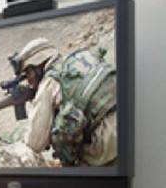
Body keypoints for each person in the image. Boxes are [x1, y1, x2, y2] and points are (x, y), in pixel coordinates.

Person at [13, 37, 117, 167]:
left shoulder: (49, 83)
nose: (28, 79)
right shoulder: (78, 58)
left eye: (28, 72)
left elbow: (35, 143)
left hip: (107, 141)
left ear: (38, 65)